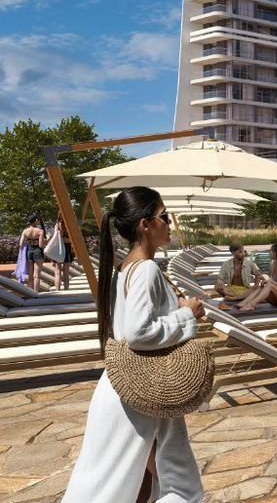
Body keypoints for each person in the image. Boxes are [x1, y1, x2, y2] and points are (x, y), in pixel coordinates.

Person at [62, 186, 206, 503]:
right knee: (183, 489)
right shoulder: (146, 269)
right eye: (164, 216)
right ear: (145, 224)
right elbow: (138, 332)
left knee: (128, 485)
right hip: (142, 391)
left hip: (127, 387)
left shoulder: (125, 269)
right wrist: (187, 314)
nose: (169, 223)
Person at [235, 244, 277, 312]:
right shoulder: (273, 265)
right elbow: (272, 284)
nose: (270, 253)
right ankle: (244, 303)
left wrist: (270, 282)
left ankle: (251, 305)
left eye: (271, 251)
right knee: (260, 287)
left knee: (269, 285)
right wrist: (263, 279)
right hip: (276, 301)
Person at [18, 214, 46, 291]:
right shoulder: (40, 231)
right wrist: (45, 243)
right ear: (35, 221)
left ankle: (30, 292)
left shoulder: (25, 231)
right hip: (38, 251)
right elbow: (40, 245)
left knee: (30, 274)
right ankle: (36, 293)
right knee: (37, 275)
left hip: (29, 251)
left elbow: (21, 244)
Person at [49, 213, 76, 290]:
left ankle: (57, 290)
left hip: (58, 249)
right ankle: (66, 289)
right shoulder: (69, 226)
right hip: (67, 248)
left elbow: (55, 237)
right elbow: (71, 240)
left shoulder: (57, 225)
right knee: (66, 272)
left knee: (57, 272)